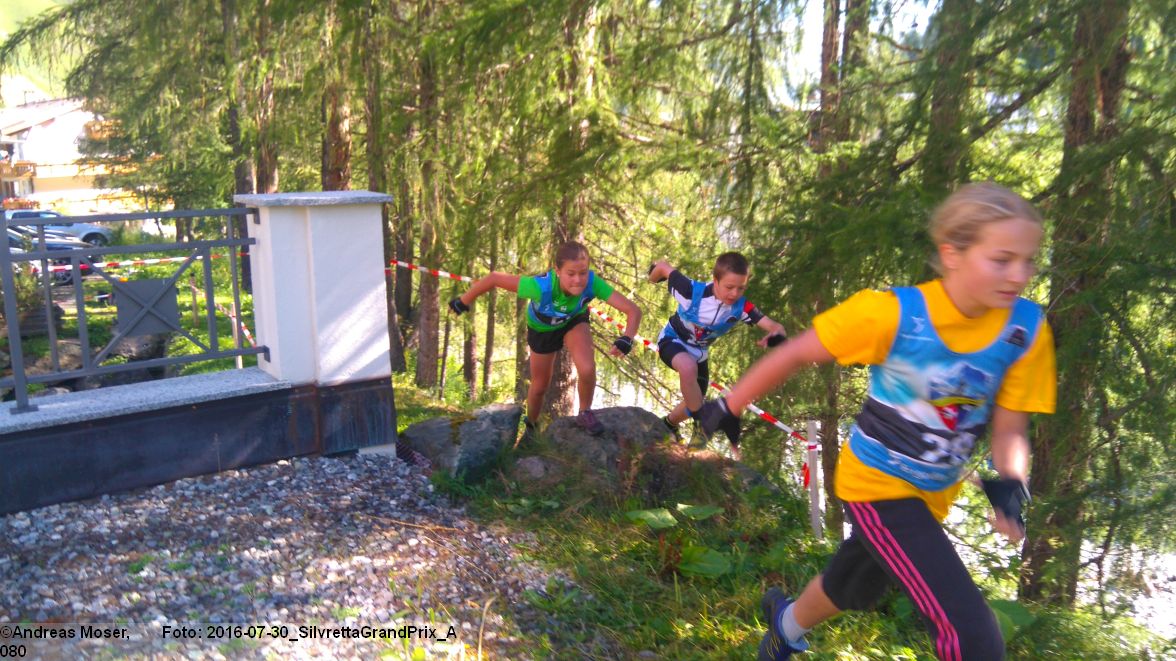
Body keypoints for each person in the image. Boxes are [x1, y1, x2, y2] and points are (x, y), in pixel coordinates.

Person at [697, 182, 1056, 660]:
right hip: (876, 484)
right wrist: (730, 404)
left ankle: (784, 625)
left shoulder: (1024, 330)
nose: (1019, 275)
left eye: (1028, 261)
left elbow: (1011, 425)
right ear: (952, 254)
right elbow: (798, 351)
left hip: (933, 495)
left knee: (854, 584)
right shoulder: (895, 315)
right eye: (1002, 259)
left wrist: (1011, 479)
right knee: (973, 637)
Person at [448, 240, 641, 439]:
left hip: (573, 321)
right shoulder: (540, 287)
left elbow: (633, 311)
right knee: (540, 386)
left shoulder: (592, 283)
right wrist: (464, 301)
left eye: (583, 273)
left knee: (587, 368)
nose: (578, 280)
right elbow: (495, 278)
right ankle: (531, 427)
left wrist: (627, 338)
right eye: (571, 274)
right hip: (542, 329)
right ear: (557, 271)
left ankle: (585, 413)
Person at [647, 252, 786, 449]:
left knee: (694, 401)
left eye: (741, 288)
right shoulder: (690, 291)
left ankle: (668, 424)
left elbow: (775, 326)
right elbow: (663, 267)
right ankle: (701, 424)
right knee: (687, 368)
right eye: (729, 287)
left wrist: (776, 334)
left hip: (700, 354)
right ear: (715, 280)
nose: (734, 294)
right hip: (672, 340)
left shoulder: (741, 307)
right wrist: (652, 279)